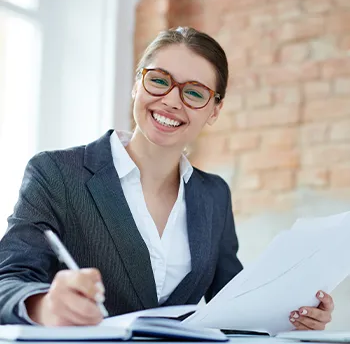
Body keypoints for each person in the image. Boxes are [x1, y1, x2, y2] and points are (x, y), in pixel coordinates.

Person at [0, 27, 334, 329]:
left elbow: (234, 304)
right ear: (136, 85)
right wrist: (43, 305)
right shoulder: (55, 173)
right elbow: (8, 280)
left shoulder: (214, 194)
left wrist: (293, 314)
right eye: (159, 80)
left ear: (214, 110)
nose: (171, 100)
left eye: (195, 93)